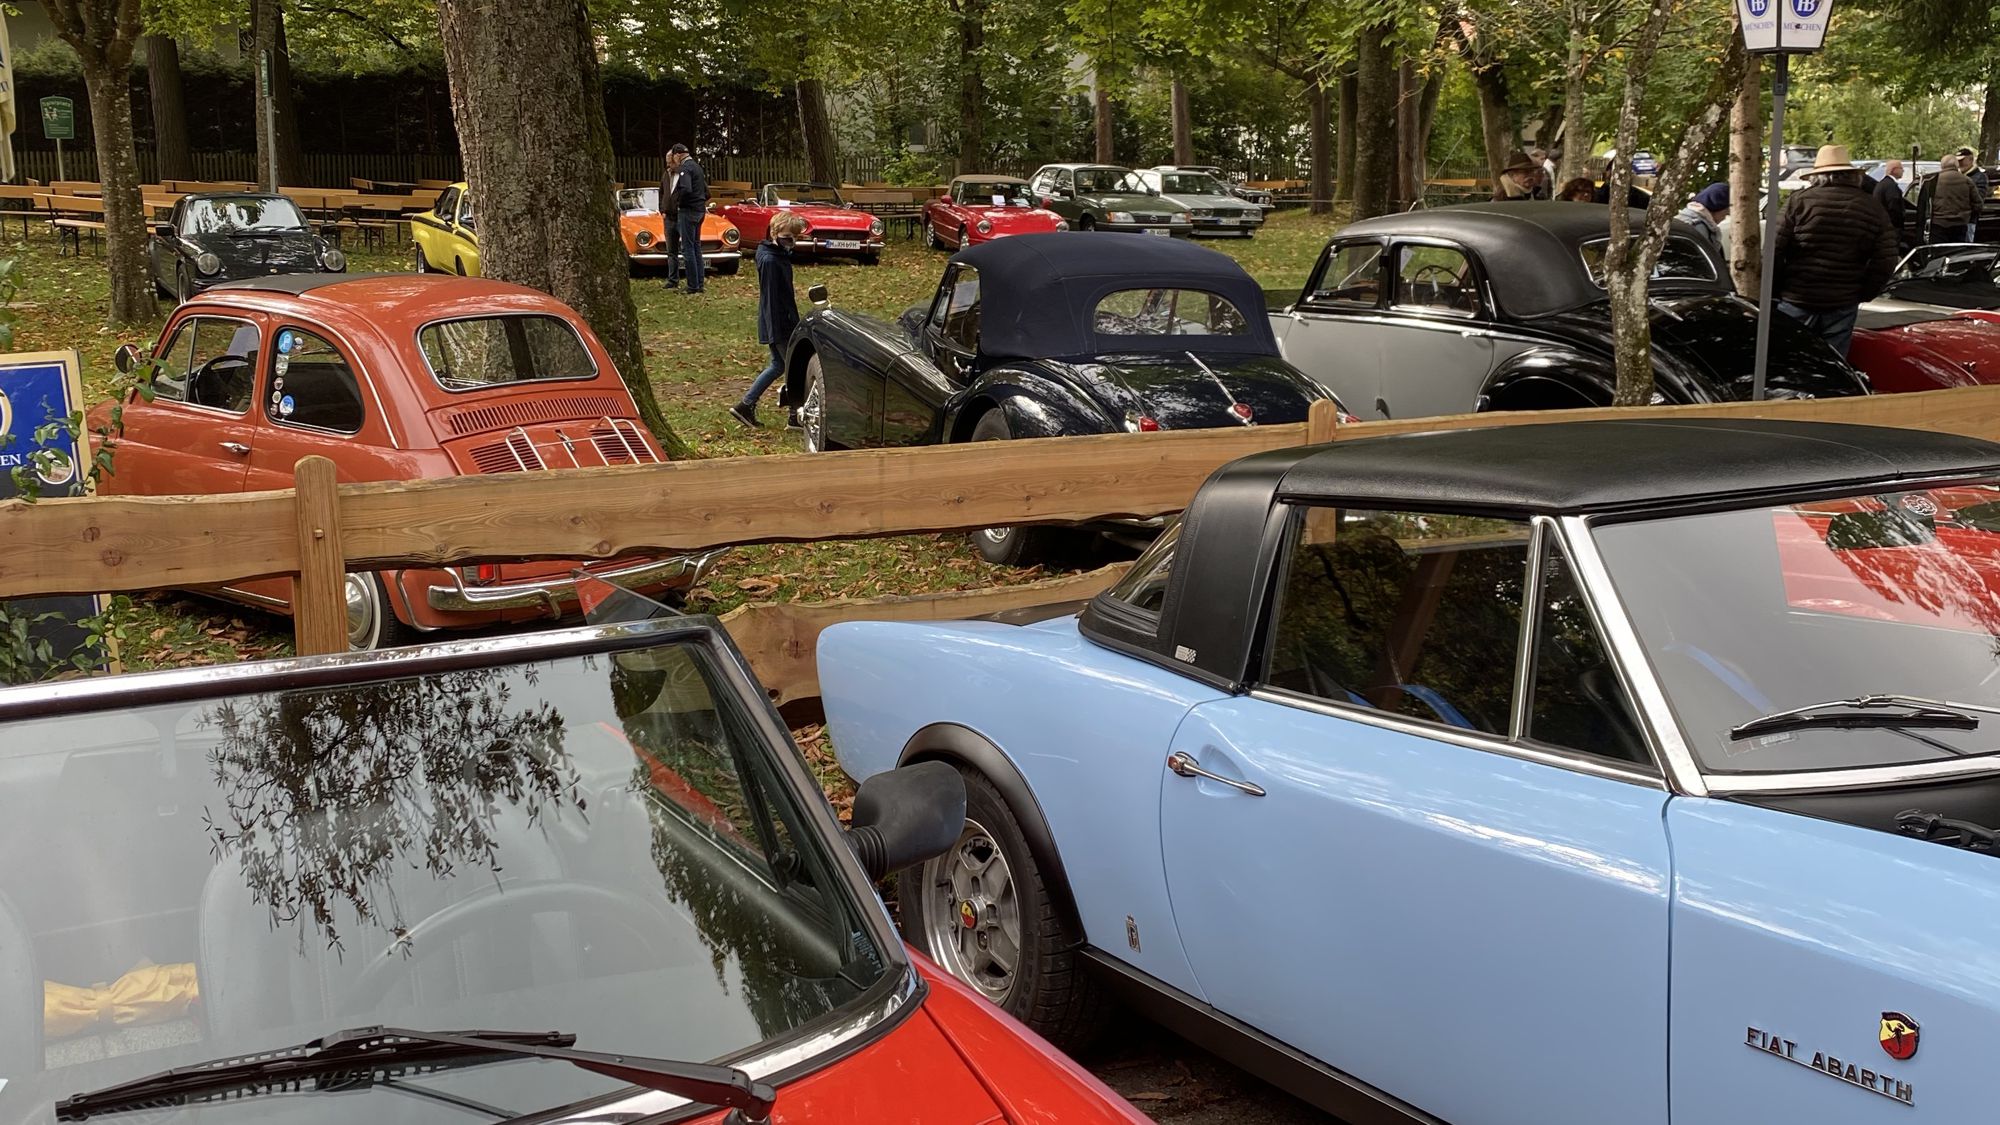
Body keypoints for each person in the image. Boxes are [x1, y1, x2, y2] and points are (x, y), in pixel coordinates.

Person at [1771, 144, 1899, 358]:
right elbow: (1886, 260)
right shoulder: (1871, 207)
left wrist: (1778, 290)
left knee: (1792, 363)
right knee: (1833, 366)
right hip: (1843, 300)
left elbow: (1774, 250)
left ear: (1817, 176)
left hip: (1797, 297)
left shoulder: (1798, 203)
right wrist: (1864, 292)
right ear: (1852, 176)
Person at [729, 212, 807, 429]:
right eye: (788, 236)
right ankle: (795, 415)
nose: (791, 241)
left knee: (778, 365)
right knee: (795, 369)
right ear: (774, 233)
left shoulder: (774, 252)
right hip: (780, 323)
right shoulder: (771, 260)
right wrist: (776, 331)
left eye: (795, 236)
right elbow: (772, 299)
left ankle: (745, 405)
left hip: (781, 320)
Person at [665, 143, 710, 294]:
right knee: (696, 247)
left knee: (688, 248)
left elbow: (686, 189)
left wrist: (679, 202)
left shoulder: (685, 169)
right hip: (700, 210)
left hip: (688, 211)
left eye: (674, 157)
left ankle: (692, 285)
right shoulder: (697, 167)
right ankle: (699, 283)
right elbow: (706, 191)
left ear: (678, 155)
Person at [1930, 153, 1979, 243]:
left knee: (1940, 252)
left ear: (1942, 165)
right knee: (1957, 252)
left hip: (1938, 224)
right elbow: (1977, 203)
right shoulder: (1967, 180)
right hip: (1960, 224)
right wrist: (1968, 216)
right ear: (1956, 165)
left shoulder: (1934, 181)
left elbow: (1926, 203)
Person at [1677, 182, 1730, 264]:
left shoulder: (1683, 220)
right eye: (1725, 213)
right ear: (1717, 207)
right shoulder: (1698, 227)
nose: (1724, 218)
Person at [658, 150, 684, 289]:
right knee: (671, 250)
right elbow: (661, 192)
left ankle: (693, 280)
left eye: (671, 163)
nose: (669, 166)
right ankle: (673, 279)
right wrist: (662, 209)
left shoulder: (684, 174)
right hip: (668, 217)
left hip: (682, 216)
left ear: (676, 160)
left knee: (686, 248)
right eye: (667, 163)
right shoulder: (666, 175)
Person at [1874, 159, 1909, 251]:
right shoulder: (1891, 186)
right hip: (1891, 228)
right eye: (1901, 168)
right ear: (1894, 170)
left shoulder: (1882, 184)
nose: (1903, 171)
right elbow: (1894, 206)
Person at [1959, 147, 1989, 239]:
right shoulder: (1959, 176)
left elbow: (1978, 201)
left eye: (1962, 160)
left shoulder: (1979, 177)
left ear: (1970, 160)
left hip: (1969, 221)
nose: (1960, 163)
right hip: (1959, 221)